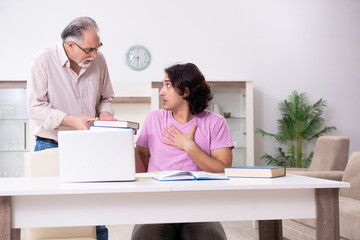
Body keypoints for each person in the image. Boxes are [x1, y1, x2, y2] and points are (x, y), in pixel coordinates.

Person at [27, 16, 115, 240]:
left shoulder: (99, 60)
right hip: (50, 145)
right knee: (51, 215)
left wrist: (105, 114)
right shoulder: (43, 60)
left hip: (89, 144)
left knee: (95, 215)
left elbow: (107, 98)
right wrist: (70, 120)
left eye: (97, 48)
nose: (94, 55)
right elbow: (35, 108)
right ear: (69, 45)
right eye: (90, 50)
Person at [132, 63, 234, 240]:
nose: (161, 91)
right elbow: (141, 160)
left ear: (186, 91)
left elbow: (223, 169)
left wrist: (189, 146)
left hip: (199, 206)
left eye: (168, 85)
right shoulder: (153, 119)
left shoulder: (215, 123)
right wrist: (125, 144)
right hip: (157, 205)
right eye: (162, 85)